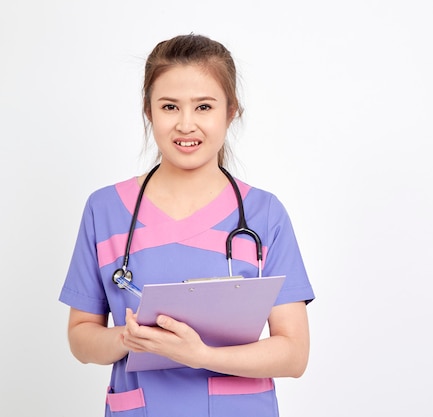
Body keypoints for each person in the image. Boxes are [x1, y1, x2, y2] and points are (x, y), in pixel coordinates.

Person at [59, 34, 315, 417]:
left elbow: (294, 354)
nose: (185, 124)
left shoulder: (265, 214)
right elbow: (81, 339)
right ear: (148, 111)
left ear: (231, 112)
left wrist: (200, 355)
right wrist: (128, 338)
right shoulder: (105, 210)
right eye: (169, 106)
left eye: (204, 107)